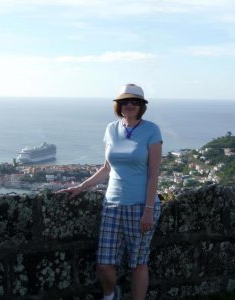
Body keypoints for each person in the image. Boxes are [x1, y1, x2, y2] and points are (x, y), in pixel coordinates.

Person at [57, 84, 162, 300]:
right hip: (112, 205)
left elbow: (154, 173)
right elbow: (106, 168)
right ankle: (110, 294)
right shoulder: (111, 129)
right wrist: (81, 187)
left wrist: (149, 209)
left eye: (134, 101)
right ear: (119, 105)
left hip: (140, 205)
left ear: (141, 106)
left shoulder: (152, 130)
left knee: (138, 264)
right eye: (125, 101)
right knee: (104, 264)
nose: (129, 105)